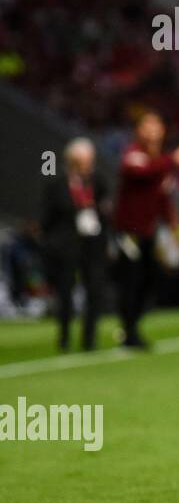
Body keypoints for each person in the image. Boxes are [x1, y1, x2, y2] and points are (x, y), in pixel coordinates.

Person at [112, 111, 179, 349]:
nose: (153, 130)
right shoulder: (134, 154)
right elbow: (139, 172)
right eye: (148, 125)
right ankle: (128, 331)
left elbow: (163, 198)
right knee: (131, 280)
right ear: (139, 131)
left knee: (152, 280)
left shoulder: (160, 162)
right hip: (129, 231)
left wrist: (174, 228)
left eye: (157, 125)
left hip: (148, 230)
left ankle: (131, 326)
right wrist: (174, 159)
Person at [41, 137, 111, 351]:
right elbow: (47, 218)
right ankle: (64, 337)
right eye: (83, 161)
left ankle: (89, 339)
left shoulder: (98, 181)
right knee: (65, 291)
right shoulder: (57, 183)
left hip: (93, 244)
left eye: (90, 160)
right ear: (71, 161)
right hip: (67, 245)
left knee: (95, 290)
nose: (88, 165)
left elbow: (106, 211)